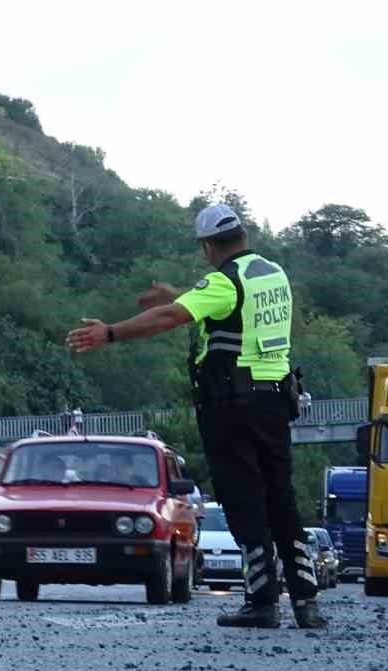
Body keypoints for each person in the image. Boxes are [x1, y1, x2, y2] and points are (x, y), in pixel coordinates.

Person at [65, 203, 325, 629]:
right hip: (276, 400)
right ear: (243, 235)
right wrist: (183, 296)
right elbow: (229, 309)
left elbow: (174, 316)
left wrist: (109, 333)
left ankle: (262, 602)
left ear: (207, 247)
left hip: (233, 406)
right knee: (282, 499)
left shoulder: (223, 282)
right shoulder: (272, 274)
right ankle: (306, 600)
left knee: (244, 500)